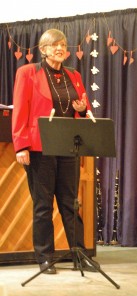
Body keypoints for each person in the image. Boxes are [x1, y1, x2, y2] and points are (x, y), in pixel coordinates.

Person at [12, 28, 98, 274]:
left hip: (68, 146)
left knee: (71, 204)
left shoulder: (74, 74)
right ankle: (45, 257)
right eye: (54, 45)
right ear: (43, 49)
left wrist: (81, 109)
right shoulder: (28, 73)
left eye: (63, 45)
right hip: (40, 148)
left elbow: (83, 108)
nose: (60, 49)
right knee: (43, 205)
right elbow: (20, 110)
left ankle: (79, 254)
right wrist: (21, 145)